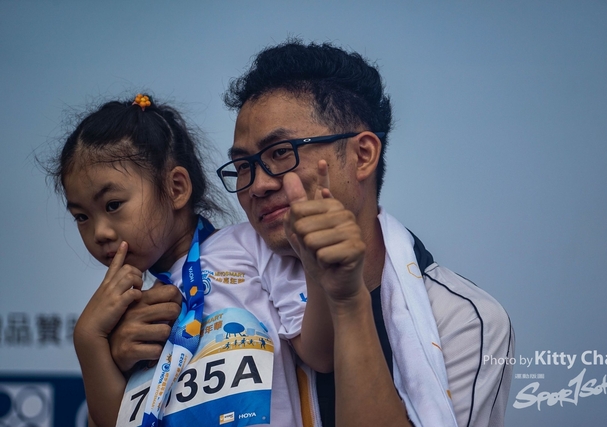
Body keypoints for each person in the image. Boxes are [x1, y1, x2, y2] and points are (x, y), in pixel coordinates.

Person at [112, 40, 515, 427]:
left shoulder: (463, 320)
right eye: (244, 166)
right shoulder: (227, 292)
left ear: (362, 155)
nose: (257, 186)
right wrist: (115, 357)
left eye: (280, 153)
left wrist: (348, 300)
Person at [49, 94, 339, 427]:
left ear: (176, 188)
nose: (99, 232)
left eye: (113, 205)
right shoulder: (128, 317)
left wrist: (318, 269)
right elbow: (120, 423)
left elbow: (322, 355)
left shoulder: (254, 247)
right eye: (81, 217)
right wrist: (89, 340)